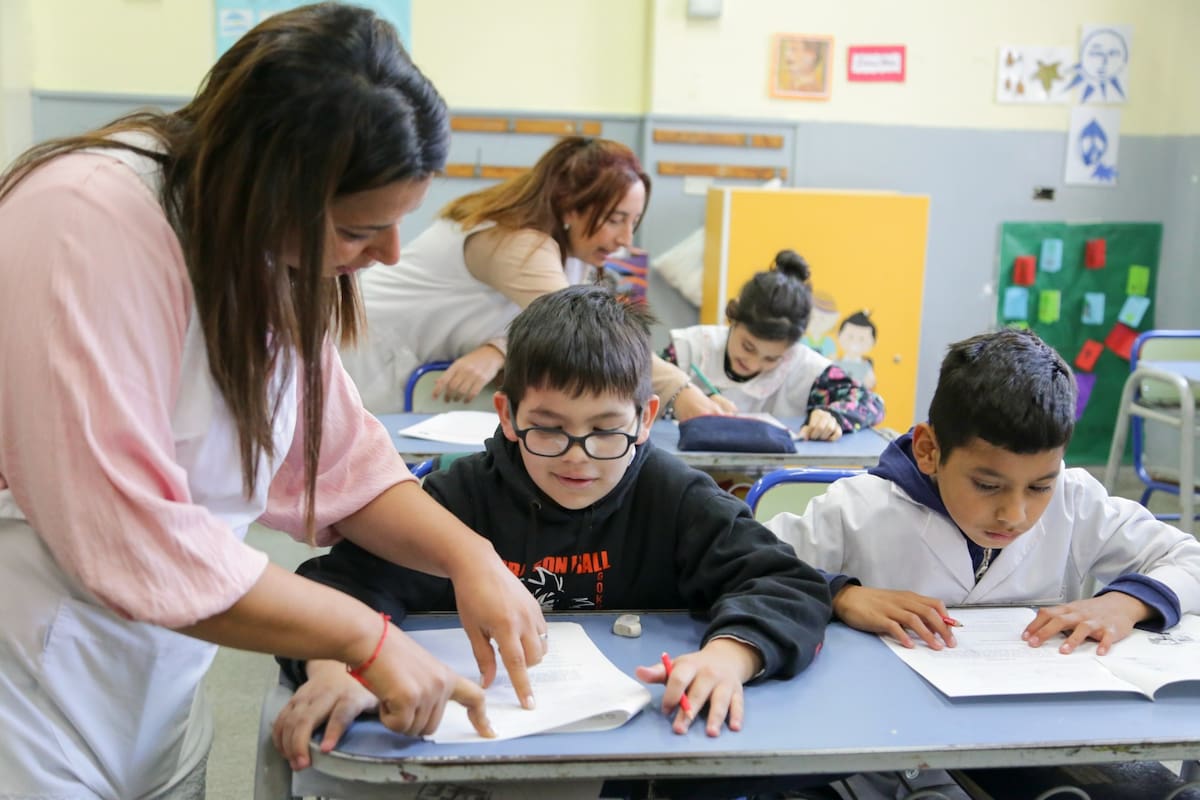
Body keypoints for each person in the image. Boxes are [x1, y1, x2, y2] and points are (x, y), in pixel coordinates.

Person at [0, 7, 545, 797]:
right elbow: (128, 536)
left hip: (156, 673)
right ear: (271, 187)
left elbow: (338, 460)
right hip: (30, 668)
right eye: (362, 228)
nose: (389, 254)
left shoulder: (256, 248)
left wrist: (470, 557)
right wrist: (365, 637)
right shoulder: (83, 221)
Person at [273, 285, 833, 775]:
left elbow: (787, 583)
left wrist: (728, 658)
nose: (578, 458)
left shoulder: (673, 495)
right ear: (507, 414)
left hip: (637, 753)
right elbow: (334, 588)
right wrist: (334, 668)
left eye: (605, 430)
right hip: (481, 755)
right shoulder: (462, 498)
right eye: (549, 428)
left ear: (645, 418)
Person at [768, 328, 1200, 654]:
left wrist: (1126, 603)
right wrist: (841, 593)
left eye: (1039, 486)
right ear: (928, 450)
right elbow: (745, 565)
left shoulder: (1076, 501)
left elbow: (1190, 560)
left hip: (1028, 738)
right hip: (889, 744)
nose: (1014, 514)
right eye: (988, 485)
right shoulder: (857, 509)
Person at [339, 136, 721, 421]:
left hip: (410, 367)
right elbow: (589, 332)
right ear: (571, 204)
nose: (624, 240)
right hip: (365, 351)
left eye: (633, 222)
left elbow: (545, 321)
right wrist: (682, 394)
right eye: (616, 219)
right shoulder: (520, 243)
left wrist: (497, 348)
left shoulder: (571, 251)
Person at [661, 250, 884, 441]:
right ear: (734, 316)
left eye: (772, 358)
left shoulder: (807, 368)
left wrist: (832, 416)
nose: (754, 363)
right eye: (748, 347)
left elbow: (870, 403)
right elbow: (638, 397)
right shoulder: (689, 349)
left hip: (771, 484)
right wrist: (684, 401)